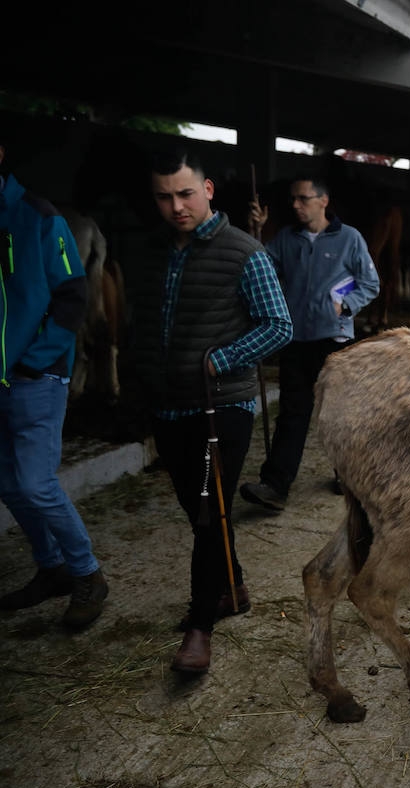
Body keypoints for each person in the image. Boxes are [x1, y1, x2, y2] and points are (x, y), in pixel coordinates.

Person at [133, 148, 291, 674]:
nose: (176, 205)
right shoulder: (152, 252)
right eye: (164, 196)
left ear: (208, 191)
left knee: (206, 512)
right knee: (200, 510)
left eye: (185, 193)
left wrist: (218, 360)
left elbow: (278, 325)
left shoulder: (244, 252)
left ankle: (201, 625)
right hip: (169, 405)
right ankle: (233, 587)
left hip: (221, 405)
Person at [0, 145, 109, 628]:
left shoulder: (40, 218)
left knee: (35, 483)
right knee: (8, 483)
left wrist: (33, 363)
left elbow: (72, 297)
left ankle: (88, 574)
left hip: (34, 376)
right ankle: (51, 568)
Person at [240, 177, 379, 512]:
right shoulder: (286, 240)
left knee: (339, 414)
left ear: (323, 201)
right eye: (293, 199)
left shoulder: (349, 239)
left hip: (335, 342)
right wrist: (256, 233)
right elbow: (260, 268)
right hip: (295, 339)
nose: (296, 205)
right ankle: (275, 485)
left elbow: (369, 282)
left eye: (303, 199)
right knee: (292, 413)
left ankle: (347, 475)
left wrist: (343, 304)